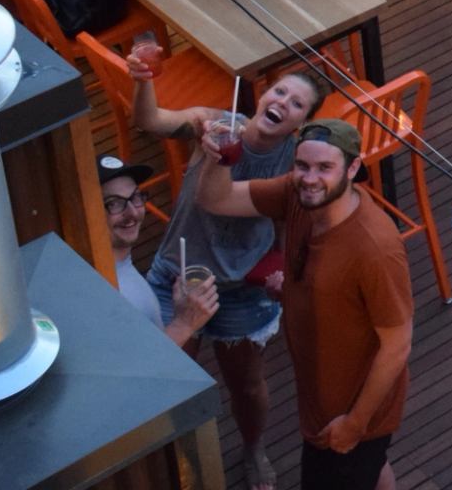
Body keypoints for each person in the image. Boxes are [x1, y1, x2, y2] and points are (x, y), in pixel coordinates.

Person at [129, 50, 327, 490]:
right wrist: (142, 80)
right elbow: (150, 120)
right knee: (168, 374)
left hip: (242, 286)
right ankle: (171, 454)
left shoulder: (294, 163)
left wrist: (284, 270)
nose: (283, 102)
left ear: (301, 123)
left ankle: (253, 449)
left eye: (297, 103)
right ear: (264, 95)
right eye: (280, 92)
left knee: (248, 387)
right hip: (178, 274)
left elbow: (296, 225)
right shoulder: (214, 125)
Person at [196, 118, 413, 490]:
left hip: (350, 413)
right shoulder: (296, 194)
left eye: (325, 167)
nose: (310, 178)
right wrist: (216, 158)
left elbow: (397, 345)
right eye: (302, 165)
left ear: (353, 168)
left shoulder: (375, 249)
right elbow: (215, 199)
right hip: (319, 396)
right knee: (371, 469)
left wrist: (354, 425)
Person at [100, 154, 218, 349]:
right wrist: (184, 324)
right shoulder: (104, 288)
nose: (132, 212)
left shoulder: (120, 265)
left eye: (135, 197)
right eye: (114, 203)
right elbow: (139, 364)